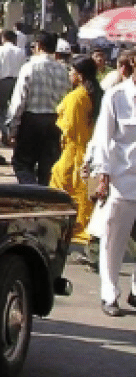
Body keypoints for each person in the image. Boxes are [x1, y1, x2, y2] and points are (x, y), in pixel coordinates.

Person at [85, 52, 136, 317]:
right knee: (113, 241)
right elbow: (102, 139)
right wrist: (102, 175)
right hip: (121, 179)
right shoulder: (116, 97)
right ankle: (109, 294)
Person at [49, 56, 103, 246]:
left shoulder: (77, 97)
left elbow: (70, 128)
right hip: (92, 150)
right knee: (86, 192)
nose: (70, 74)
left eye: (72, 71)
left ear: (79, 75)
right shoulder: (97, 94)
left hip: (74, 151)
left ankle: (73, 228)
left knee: (64, 187)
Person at [6, 32, 72, 185]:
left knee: (22, 163)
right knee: (48, 167)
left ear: (39, 46)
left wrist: (13, 128)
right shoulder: (64, 71)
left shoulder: (29, 67)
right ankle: (44, 194)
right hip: (55, 121)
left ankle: (31, 191)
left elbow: (19, 101)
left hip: (32, 120)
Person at [0, 30, 26, 146]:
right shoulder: (21, 52)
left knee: (1, 109)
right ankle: (13, 132)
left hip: (2, 81)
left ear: (3, 38)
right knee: (16, 107)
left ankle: (5, 133)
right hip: (17, 81)